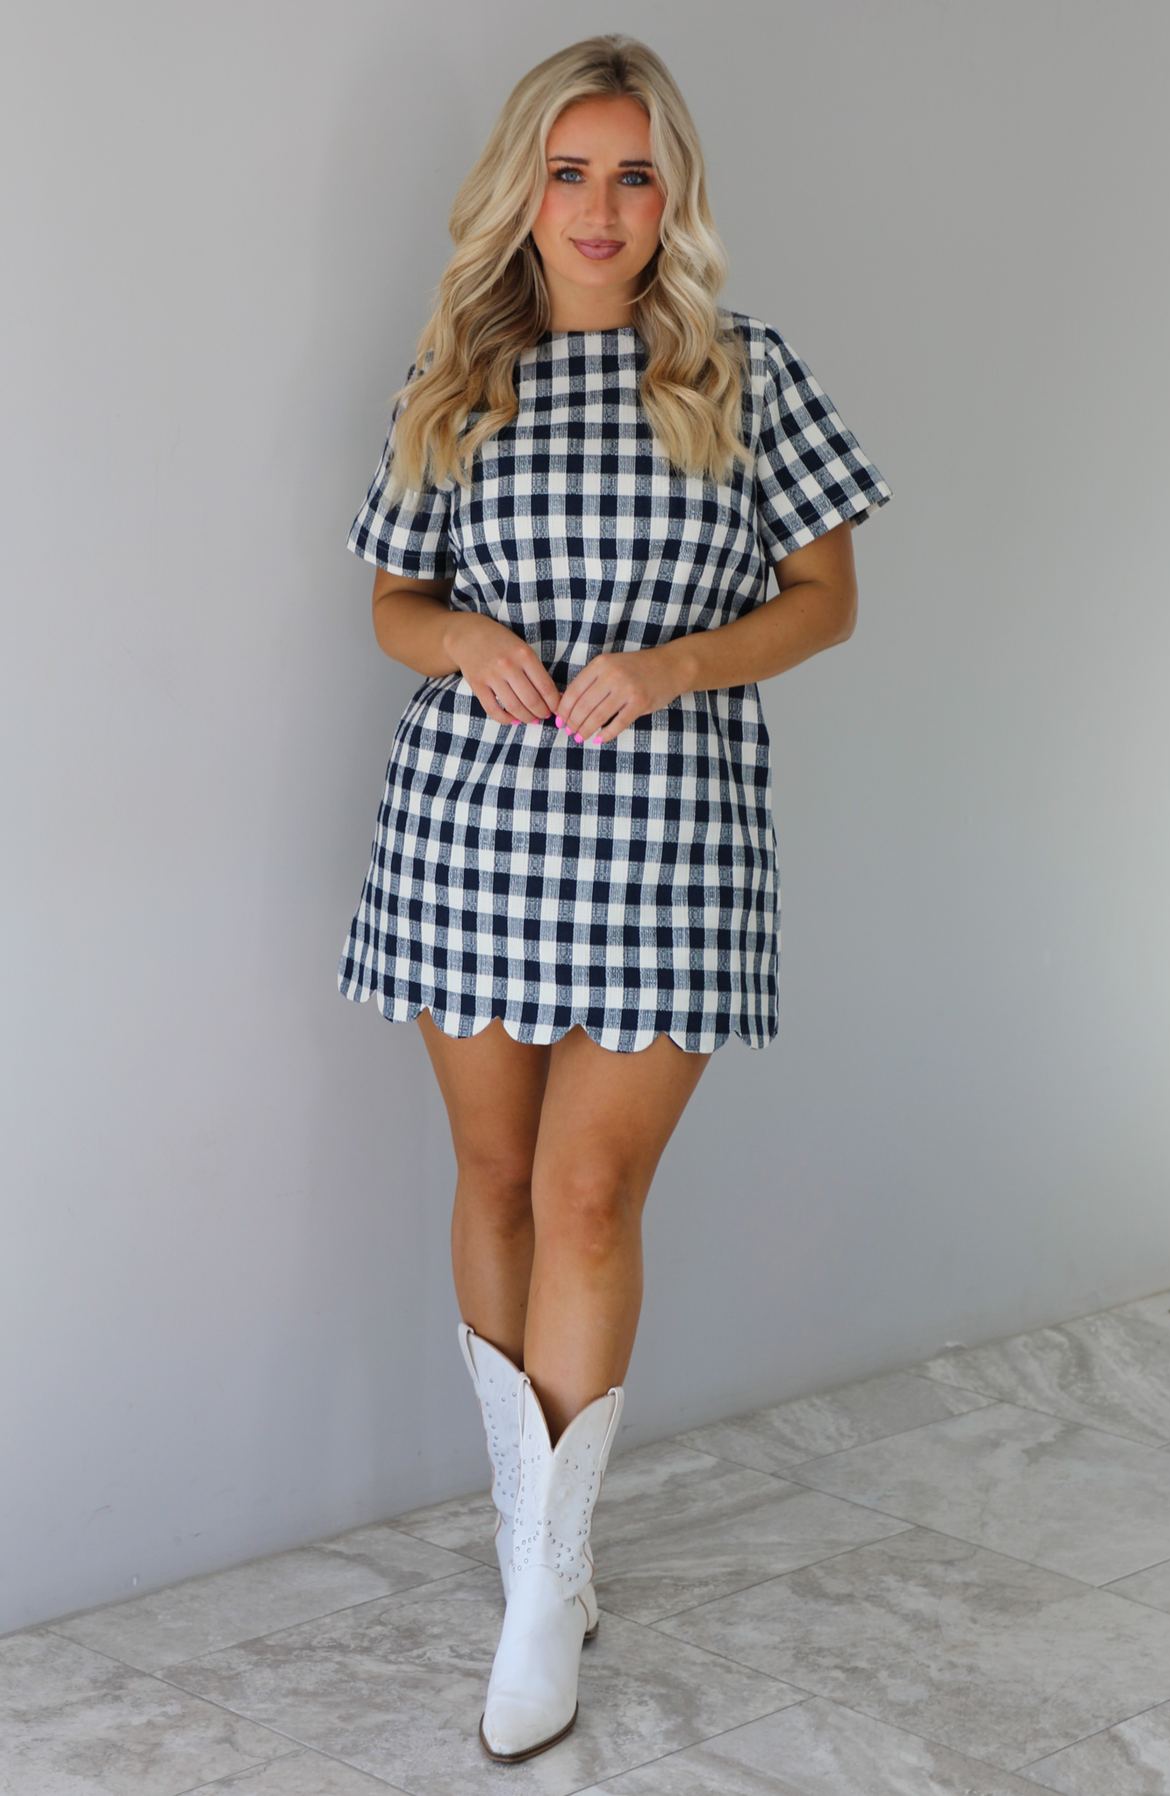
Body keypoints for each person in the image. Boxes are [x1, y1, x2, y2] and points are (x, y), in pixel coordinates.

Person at [338, 33, 890, 1762]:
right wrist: (464, 637)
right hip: (472, 828)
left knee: (590, 1195)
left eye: (634, 174)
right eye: (570, 173)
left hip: (671, 828)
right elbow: (392, 610)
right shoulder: (458, 376)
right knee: (494, 1175)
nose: (600, 208)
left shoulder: (740, 369)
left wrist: (678, 664)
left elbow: (827, 601)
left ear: (676, 197)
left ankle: (543, 1581)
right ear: (526, 190)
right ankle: (535, 1560)